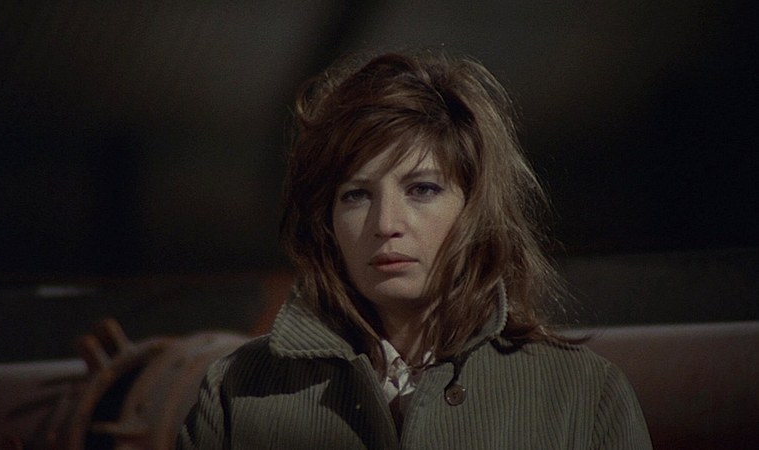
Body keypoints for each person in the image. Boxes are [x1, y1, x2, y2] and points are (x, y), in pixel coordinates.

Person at [177, 51, 651, 449]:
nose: (386, 225)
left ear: (475, 208)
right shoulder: (239, 390)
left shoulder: (583, 394)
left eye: (422, 189)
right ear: (326, 223)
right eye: (356, 195)